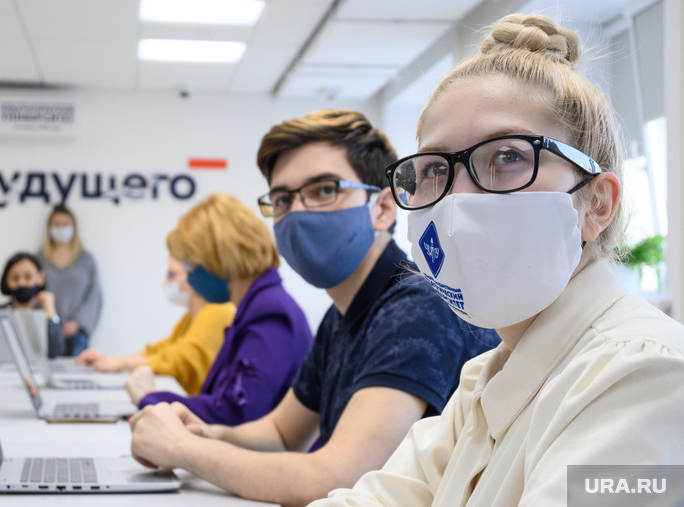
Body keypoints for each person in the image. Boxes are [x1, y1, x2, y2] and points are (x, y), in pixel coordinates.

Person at [311, 14, 684, 506]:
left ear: (596, 203)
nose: (457, 200)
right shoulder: (483, 382)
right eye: (434, 169)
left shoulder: (645, 374)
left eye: (507, 156)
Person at [128, 110, 499, 506]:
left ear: (383, 208)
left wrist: (182, 449)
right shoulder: (341, 315)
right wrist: (203, 432)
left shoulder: (417, 306)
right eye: (282, 199)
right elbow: (281, 433)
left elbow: (338, 477)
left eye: (324, 190)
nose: (298, 212)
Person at [125, 193, 312, 426]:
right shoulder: (256, 307)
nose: (190, 275)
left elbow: (236, 412)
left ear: (219, 257)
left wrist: (150, 398)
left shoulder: (270, 312)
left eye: (190, 264)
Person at [75, 256, 235, 396]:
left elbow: (181, 359)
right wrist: (114, 362)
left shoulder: (218, 309)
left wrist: (123, 363)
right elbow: (162, 349)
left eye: (172, 275)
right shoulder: (192, 316)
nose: (166, 282)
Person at [38, 204, 102, 357]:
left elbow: (94, 296)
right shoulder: (39, 260)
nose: (61, 228)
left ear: (74, 227)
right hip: (46, 331)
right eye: (56, 224)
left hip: (77, 334)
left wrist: (76, 322)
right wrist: (51, 322)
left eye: (65, 224)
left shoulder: (86, 260)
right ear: (49, 228)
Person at [0, 252, 65, 358]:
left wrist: (50, 315)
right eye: (15, 278)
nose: (21, 283)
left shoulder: (49, 314)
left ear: (40, 278)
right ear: (6, 281)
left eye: (28, 277)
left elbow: (56, 352)